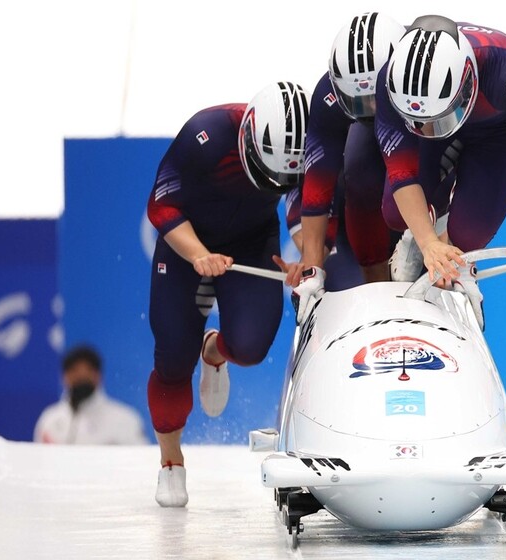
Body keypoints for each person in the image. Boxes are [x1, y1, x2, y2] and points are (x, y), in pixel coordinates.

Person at [145, 82, 309, 507]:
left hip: (251, 240)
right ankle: (171, 462)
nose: (274, 182)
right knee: (173, 356)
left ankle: (214, 352)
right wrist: (198, 254)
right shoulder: (206, 135)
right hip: (188, 242)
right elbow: (161, 207)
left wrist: (305, 258)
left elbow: (307, 202)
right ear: (250, 142)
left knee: (251, 348)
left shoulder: (308, 142)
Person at [375, 16, 506, 328]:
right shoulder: (390, 82)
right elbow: (401, 172)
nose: (429, 130)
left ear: (469, 83)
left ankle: (452, 244)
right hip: (434, 129)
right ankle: (427, 236)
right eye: (419, 122)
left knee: (470, 234)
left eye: (436, 120)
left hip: (498, 134)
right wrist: (428, 243)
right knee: (393, 212)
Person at [283, 13, 454, 324]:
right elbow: (317, 184)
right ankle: (377, 281)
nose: (372, 111)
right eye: (357, 102)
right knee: (359, 169)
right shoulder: (328, 97)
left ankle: (434, 257)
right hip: (363, 201)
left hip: (418, 126)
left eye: (375, 98)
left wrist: (439, 242)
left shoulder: (431, 74)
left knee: (428, 163)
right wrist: (311, 269)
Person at [34, 345, 148, 445]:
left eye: (88, 371)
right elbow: (41, 465)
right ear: (64, 376)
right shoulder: (49, 420)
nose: (81, 376)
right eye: (74, 370)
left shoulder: (124, 421)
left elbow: (139, 465)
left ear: (98, 375)